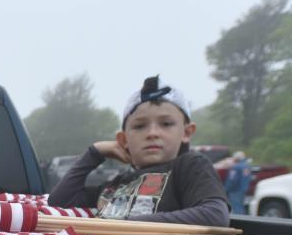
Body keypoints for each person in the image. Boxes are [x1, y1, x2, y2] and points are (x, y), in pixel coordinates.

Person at [48, 76, 229, 226]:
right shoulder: (116, 183)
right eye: (140, 126)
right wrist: (95, 152)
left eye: (166, 124)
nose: (152, 133)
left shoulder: (189, 166)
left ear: (187, 132)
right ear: (123, 139)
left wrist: (123, 225)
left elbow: (214, 215)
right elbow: (60, 201)